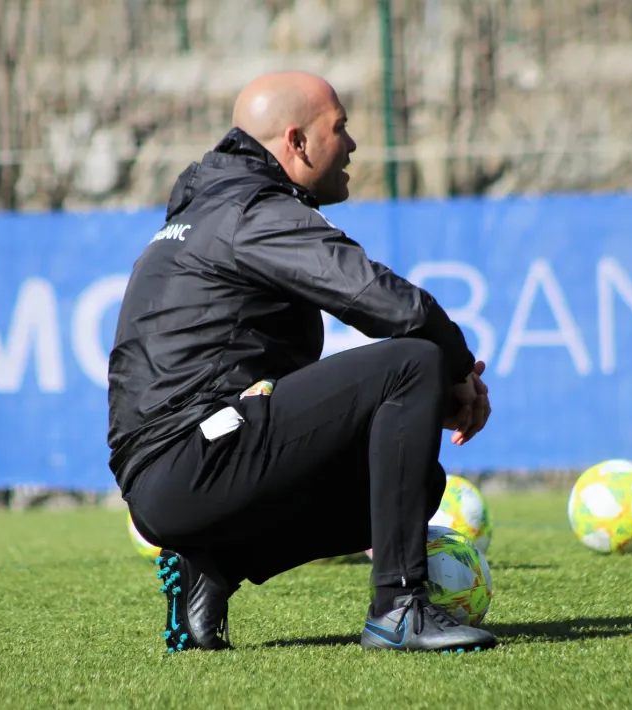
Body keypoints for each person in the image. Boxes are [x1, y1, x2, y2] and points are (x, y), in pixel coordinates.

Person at [107, 71, 494, 653]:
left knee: (415, 481)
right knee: (411, 361)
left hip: (169, 475)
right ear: (297, 141)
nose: (352, 144)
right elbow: (378, 299)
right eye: (340, 128)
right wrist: (458, 368)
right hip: (193, 459)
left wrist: (425, 402)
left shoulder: (208, 210)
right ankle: (399, 610)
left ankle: (210, 565)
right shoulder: (251, 210)